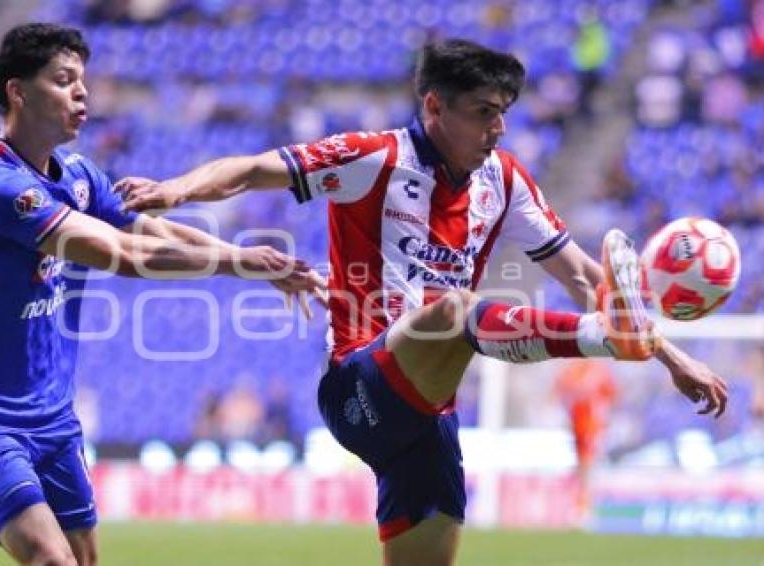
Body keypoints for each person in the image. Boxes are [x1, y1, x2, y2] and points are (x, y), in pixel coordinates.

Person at [116, 39, 728, 566]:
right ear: (434, 106)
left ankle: (609, 338)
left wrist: (672, 357)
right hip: (359, 388)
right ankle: (602, 340)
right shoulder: (372, 158)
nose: (499, 129)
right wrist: (174, 189)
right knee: (456, 310)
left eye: (504, 113)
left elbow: (587, 276)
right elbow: (251, 169)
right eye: (484, 113)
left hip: (432, 417)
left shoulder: (505, 180)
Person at [0, 23, 324, 566]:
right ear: (17, 91)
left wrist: (240, 254)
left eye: (83, 79)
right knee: (52, 559)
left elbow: (150, 232)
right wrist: (239, 263)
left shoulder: (79, 175)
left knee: (84, 560)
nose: (82, 92)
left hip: (53, 415)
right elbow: (127, 258)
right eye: (64, 80)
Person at [554, 359, 618, 525]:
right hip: (577, 425)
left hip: (592, 426)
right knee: (582, 467)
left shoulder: (598, 370)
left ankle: (585, 507)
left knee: (587, 466)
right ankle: (581, 505)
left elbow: (610, 397)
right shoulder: (573, 369)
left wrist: (605, 420)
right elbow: (562, 393)